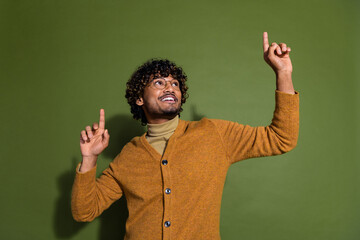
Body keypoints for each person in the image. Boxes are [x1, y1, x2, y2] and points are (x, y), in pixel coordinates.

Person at [72, 32, 299, 240]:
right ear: (139, 98)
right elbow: (84, 211)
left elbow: (281, 138)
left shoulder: (213, 134)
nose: (170, 87)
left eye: (175, 84)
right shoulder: (128, 156)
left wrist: (283, 73)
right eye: (159, 83)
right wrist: (90, 159)